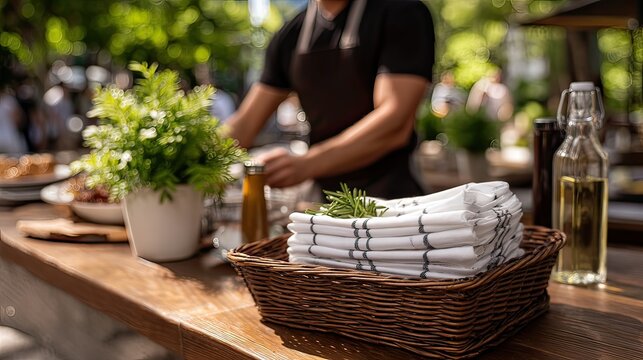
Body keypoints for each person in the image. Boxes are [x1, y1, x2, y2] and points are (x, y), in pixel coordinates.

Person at [226, 0, 435, 200]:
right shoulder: (289, 36)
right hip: (326, 205)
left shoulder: (402, 14)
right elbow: (245, 124)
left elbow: (395, 123)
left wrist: (305, 164)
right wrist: (198, 153)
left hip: (393, 201)